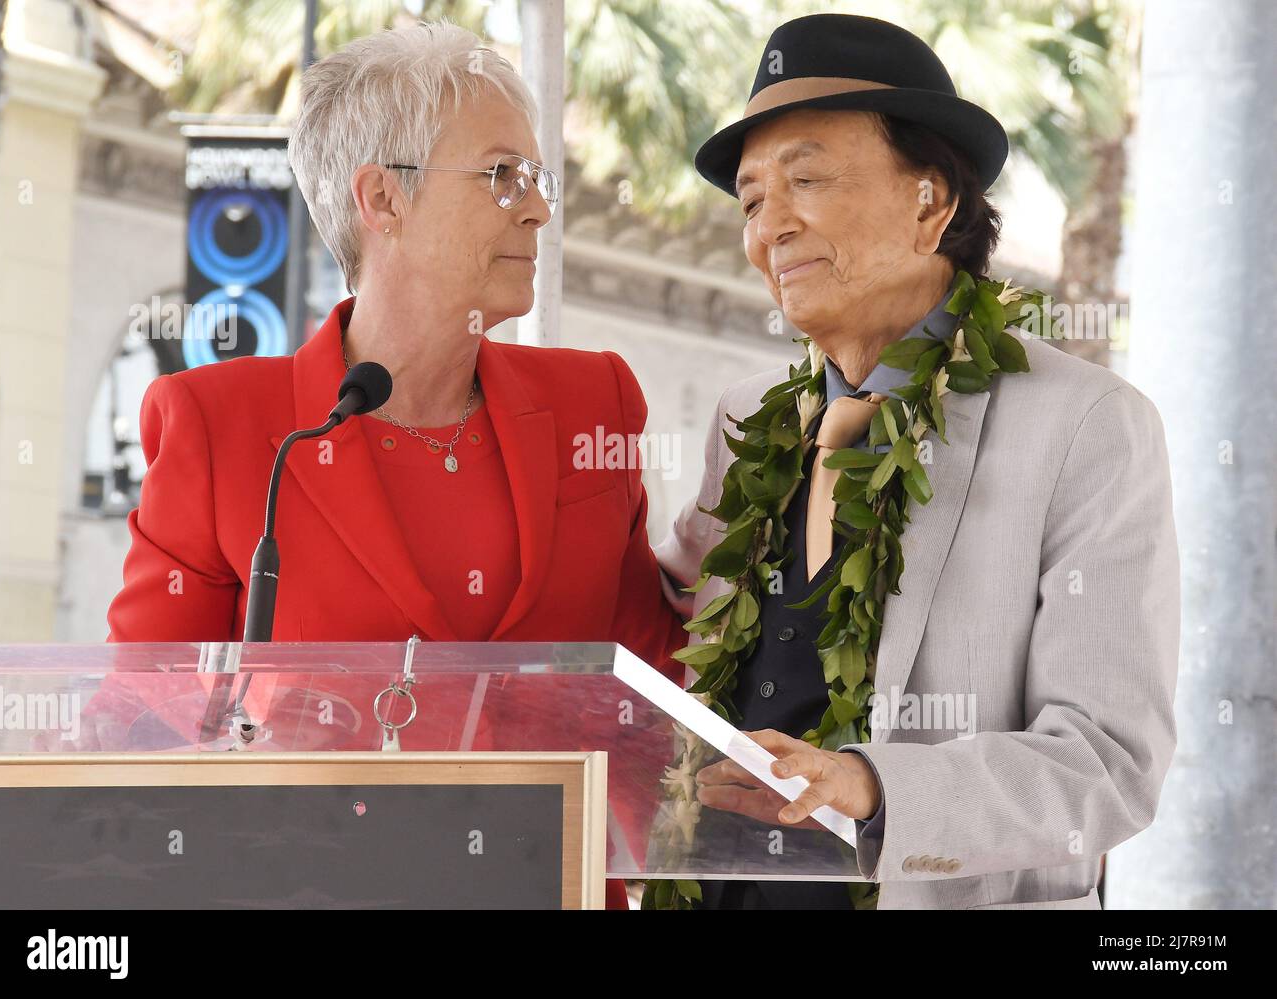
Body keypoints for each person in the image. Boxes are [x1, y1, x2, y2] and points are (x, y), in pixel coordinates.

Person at [105, 22, 686, 910]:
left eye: (538, 179)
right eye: (502, 175)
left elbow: (657, 683)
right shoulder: (223, 427)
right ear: (383, 199)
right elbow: (134, 722)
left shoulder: (593, 405)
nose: (536, 207)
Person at [655, 13, 1179, 910]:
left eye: (806, 180)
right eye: (749, 200)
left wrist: (873, 785)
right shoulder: (745, 419)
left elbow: (1108, 760)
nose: (768, 228)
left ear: (931, 203)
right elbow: (660, 612)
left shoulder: (1090, 426)